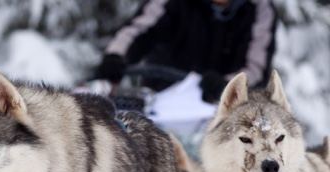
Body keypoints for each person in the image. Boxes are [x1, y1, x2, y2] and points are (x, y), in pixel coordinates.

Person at [94, 0, 278, 103]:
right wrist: (116, 56)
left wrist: (227, 84)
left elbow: (256, 67)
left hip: (217, 108)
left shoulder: (259, 9)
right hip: (160, 99)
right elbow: (139, 30)